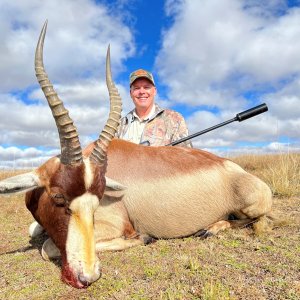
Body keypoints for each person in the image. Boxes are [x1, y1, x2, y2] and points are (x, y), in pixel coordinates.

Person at [117, 69, 192, 147]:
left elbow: (186, 156)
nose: (142, 92)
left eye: (146, 87)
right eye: (136, 88)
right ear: (130, 93)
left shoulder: (175, 119)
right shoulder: (120, 126)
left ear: (154, 91)